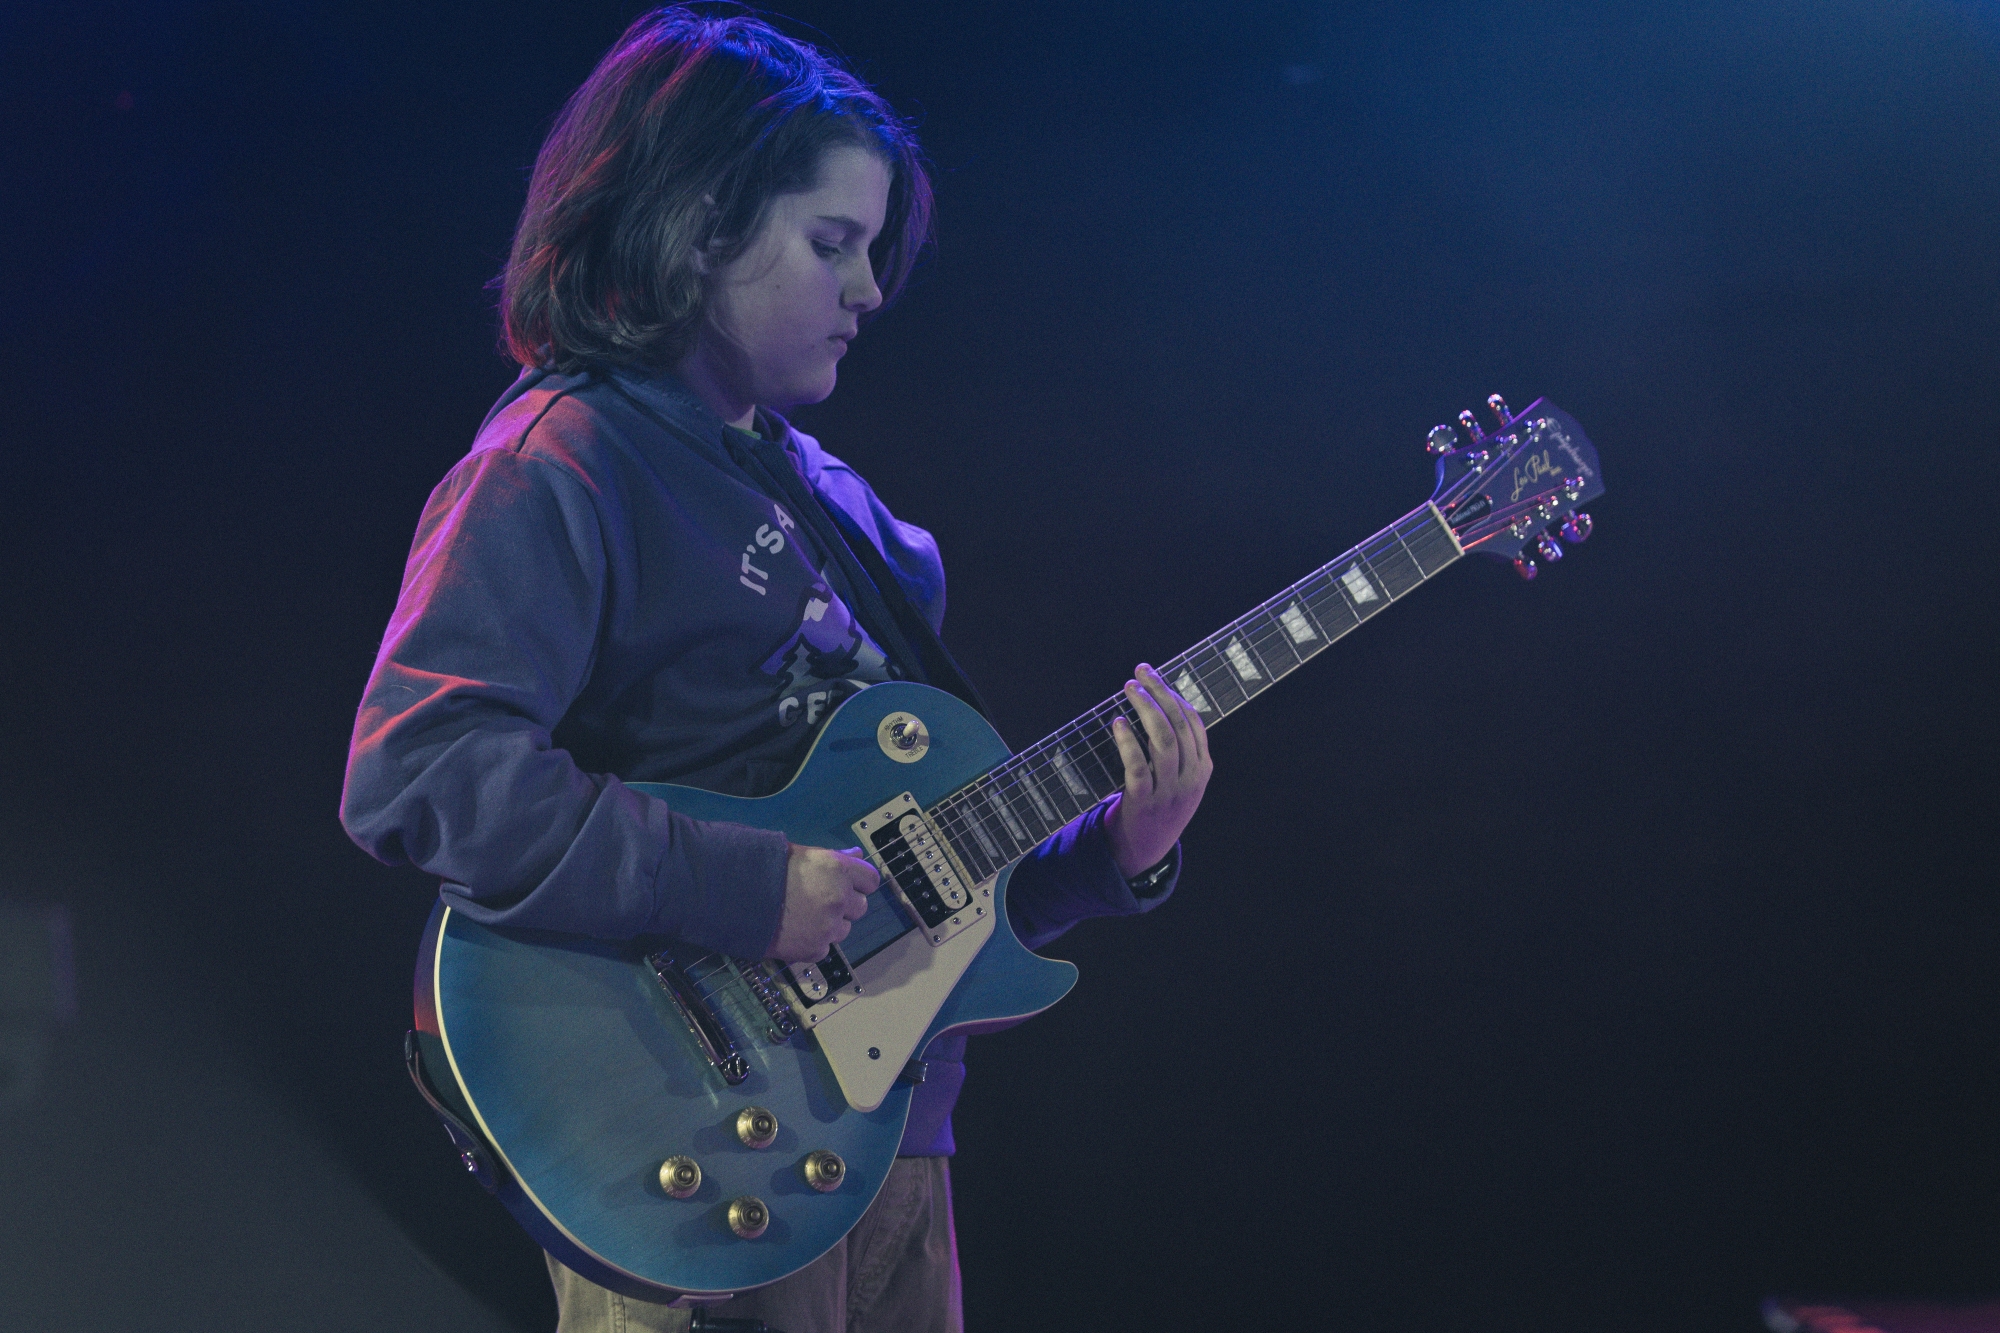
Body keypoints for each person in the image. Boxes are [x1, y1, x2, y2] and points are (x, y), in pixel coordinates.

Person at [339, 9, 1212, 1331]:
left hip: (894, 1148)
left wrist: (1110, 853)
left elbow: (913, 891)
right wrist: (755, 890)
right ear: (695, 230)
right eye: (831, 244)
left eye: (874, 252)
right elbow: (418, 773)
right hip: (680, 1149)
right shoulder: (564, 463)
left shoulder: (861, 526)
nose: (870, 291)